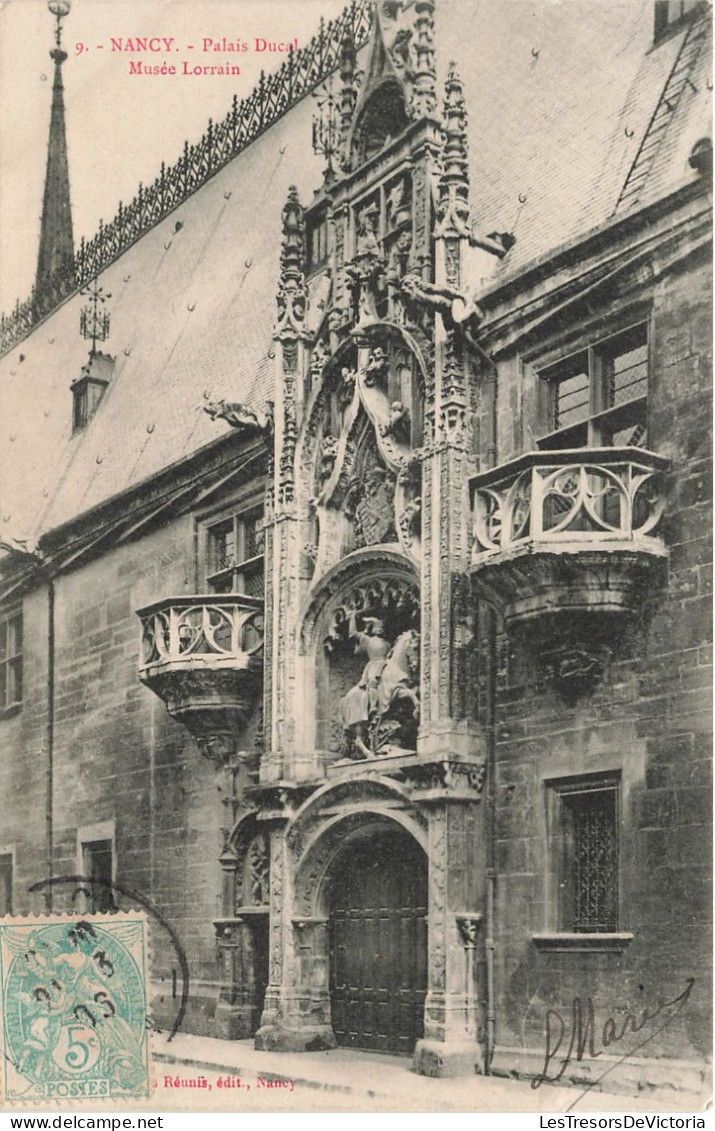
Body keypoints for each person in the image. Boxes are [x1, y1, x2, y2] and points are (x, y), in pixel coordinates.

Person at [339, 612, 391, 758]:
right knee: (373, 682)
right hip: (373, 667)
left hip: (386, 665)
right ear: (373, 629)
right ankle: (373, 706)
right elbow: (353, 633)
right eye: (377, 627)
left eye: (381, 627)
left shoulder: (387, 644)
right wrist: (352, 617)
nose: (379, 629)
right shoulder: (367, 640)